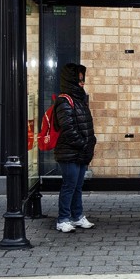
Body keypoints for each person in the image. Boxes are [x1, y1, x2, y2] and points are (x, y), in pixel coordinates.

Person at [54, 63, 98, 232]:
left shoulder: (78, 99)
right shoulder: (65, 101)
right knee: (69, 185)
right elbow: (69, 128)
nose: (82, 83)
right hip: (69, 152)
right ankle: (63, 219)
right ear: (71, 80)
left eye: (83, 79)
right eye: (79, 80)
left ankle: (77, 216)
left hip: (79, 151)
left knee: (77, 185)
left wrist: (89, 143)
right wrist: (83, 143)